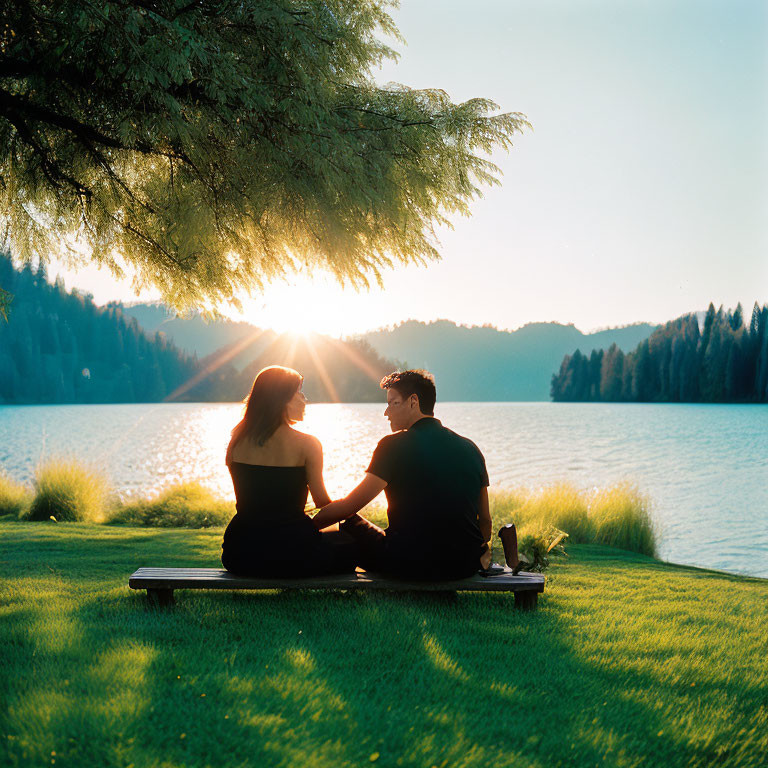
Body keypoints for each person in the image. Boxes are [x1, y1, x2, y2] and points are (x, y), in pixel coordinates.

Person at [313, 370, 493, 578]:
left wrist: (306, 527)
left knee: (348, 522)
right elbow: (485, 522)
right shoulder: (471, 448)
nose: (386, 412)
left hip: (407, 564)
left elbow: (347, 507)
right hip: (463, 566)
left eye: (393, 403)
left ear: (413, 401)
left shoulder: (392, 446)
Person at [221, 365, 355, 577]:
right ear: (281, 399)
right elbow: (323, 503)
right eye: (299, 393)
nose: (304, 399)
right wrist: (350, 508)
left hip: (240, 554)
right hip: (294, 553)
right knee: (348, 542)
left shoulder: (236, 440)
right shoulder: (308, 444)